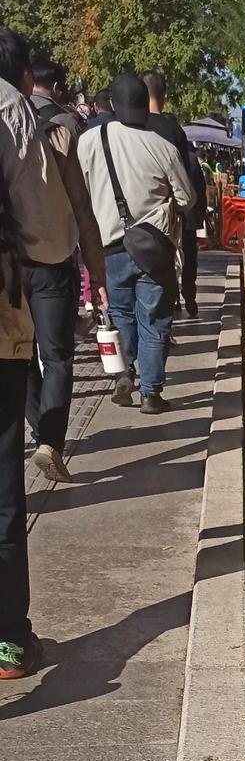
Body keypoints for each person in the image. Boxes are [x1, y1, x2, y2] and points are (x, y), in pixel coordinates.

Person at [78, 72, 195, 414]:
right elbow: (186, 199)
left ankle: (124, 372)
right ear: (147, 105)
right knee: (154, 319)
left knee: (122, 313)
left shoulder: (90, 140)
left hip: (108, 246)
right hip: (154, 248)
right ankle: (151, 393)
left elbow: (78, 190)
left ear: (112, 104)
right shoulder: (162, 146)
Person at [21, 53, 106, 482]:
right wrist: (98, 273)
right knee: (57, 357)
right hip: (53, 258)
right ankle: (50, 440)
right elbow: (82, 208)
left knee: (21, 353)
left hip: (11, 261)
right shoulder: (65, 129)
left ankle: (39, 426)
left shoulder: (8, 126)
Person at [142, 70, 206, 318]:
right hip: (174, 212)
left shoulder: (132, 128)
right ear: (164, 96)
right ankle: (186, 297)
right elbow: (182, 174)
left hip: (141, 213)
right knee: (182, 259)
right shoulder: (174, 132)